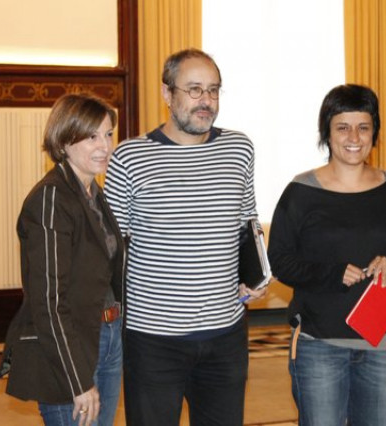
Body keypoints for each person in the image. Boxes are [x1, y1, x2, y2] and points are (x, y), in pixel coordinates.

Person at [104, 48, 266, 426]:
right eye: (194, 90)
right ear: (167, 94)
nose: (205, 101)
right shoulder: (130, 158)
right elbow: (113, 250)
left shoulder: (239, 149)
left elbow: (248, 224)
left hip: (226, 336)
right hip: (153, 340)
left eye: (213, 90)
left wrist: (255, 275)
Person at [267, 84, 386, 426]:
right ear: (327, 133)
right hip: (320, 344)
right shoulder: (301, 191)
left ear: (374, 132)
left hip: (384, 343)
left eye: (363, 127)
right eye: (342, 127)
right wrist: (331, 273)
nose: (354, 136)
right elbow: (279, 259)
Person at [0, 93, 126, 426]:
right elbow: (49, 301)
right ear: (65, 140)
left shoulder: (93, 193)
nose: (105, 145)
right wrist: (78, 382)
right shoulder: (52, 197)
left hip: (107, 336)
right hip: (69, 347)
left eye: (109, 134)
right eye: (91, 136)